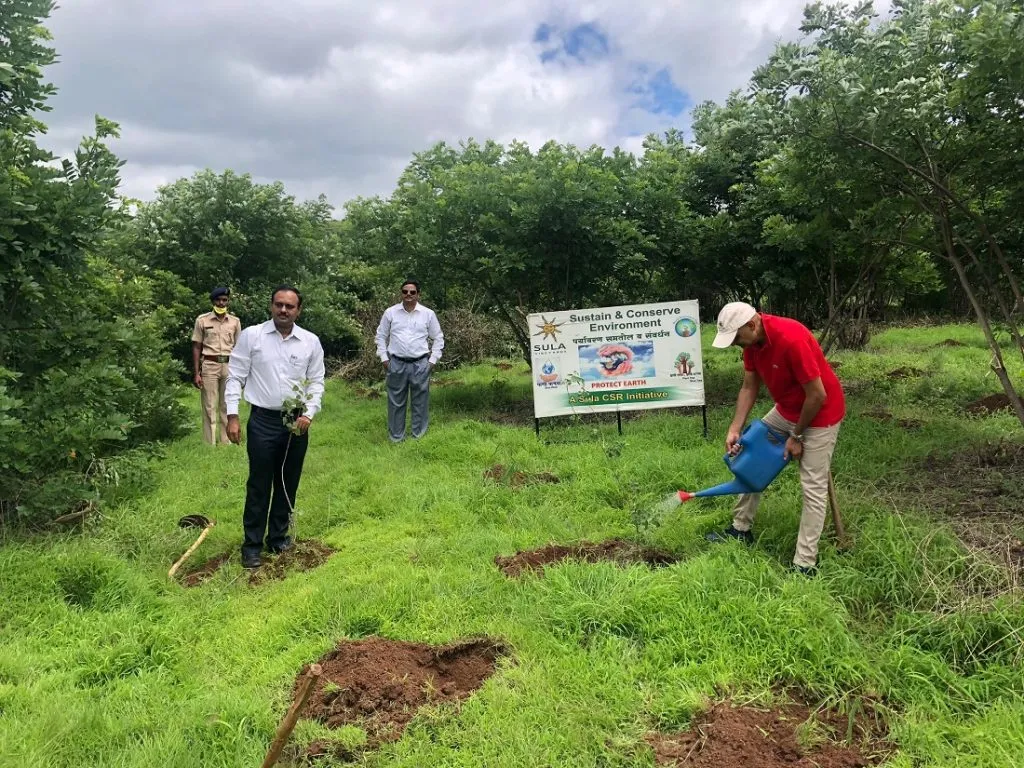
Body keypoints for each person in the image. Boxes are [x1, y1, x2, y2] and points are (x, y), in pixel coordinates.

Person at [706, 302, 845, 575]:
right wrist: (735, 427)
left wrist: (797, 436)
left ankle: (805, 564)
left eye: (737, 338)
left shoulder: (791, 338)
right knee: (749, 454)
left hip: (820, 414)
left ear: (752, 325)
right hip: (787, 409)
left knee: (812, 486)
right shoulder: (752, 344)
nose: (736, 344)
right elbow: (749, 386)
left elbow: (817, 396)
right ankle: (740, 529)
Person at [225, 285, 325, 569]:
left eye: (289, 306)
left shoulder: (309, 341)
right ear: (271, 306)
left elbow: (316, 381)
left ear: (298, 310)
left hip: (296, 421)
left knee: (286, 481)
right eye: (279, 304)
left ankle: (278, 538)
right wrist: (232, 416)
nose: (283, 310)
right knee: (259, 483)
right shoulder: (253, 336)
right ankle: (252, 545)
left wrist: (309, 413)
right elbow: (235, 377)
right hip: (263, 420)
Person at [374, 280, 445, 442]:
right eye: (405, 291)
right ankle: (396, 438)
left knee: (420, 402)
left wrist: (432, 361)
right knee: (395, 403)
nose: (408, 295)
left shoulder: (428, 314)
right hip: (396, 363)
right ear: (401, 293)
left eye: (412, 292)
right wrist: (384, 359)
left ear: (418, 294)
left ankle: (417, 438)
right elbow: (381, 336)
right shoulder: (390, 313)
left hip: (420, 363)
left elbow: (438, 338)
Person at [191, 287, 242, 445]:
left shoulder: (235, 321)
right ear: (213, 301)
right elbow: (196, 346)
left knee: (227, 404)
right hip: (210, 365)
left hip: (229, 365)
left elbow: (240, 348)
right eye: (218, 300)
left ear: (228, 302)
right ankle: (209, 443)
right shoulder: (203, 320)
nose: (221, 303)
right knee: (209, 405)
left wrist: (240, 373)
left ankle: (226, 441)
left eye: (224, 300)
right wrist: (196, 372)